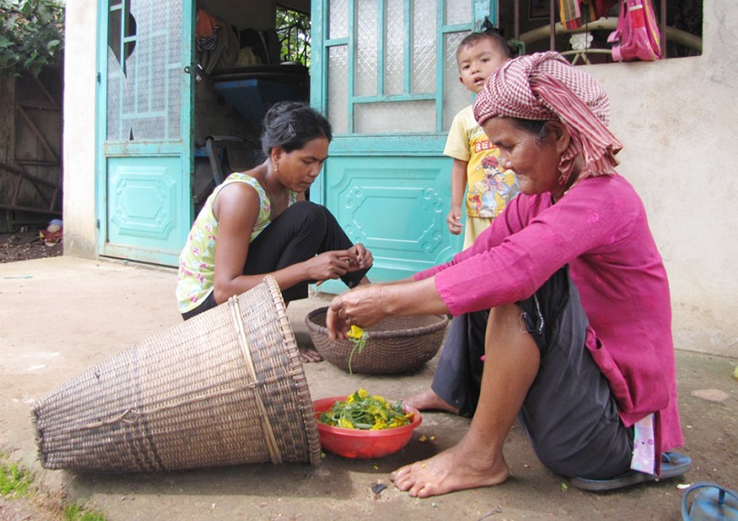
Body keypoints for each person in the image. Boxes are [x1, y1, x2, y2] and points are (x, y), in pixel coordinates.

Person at [326, 52, 687, 497]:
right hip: (579, 407)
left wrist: (387, 305)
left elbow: (513, 271)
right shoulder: (538, 200)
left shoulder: (606, 199)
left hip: (616, 438)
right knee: (484, 270)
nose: (499, 162)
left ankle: (479, 457)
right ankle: (458, 396)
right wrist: (376, 291)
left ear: (555, 134)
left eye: (508, 146)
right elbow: (469, 262)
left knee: (521, 281)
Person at [177, 101, 373, 321]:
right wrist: (308, 269)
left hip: (236, 296)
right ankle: (269, 331)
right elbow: (225, 290)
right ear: (278, 154)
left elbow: (290, 256)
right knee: (310, 214)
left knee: (315, 216)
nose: (315, 172)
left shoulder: (291, 189)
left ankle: (369, 299)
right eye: (307, 161)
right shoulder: (242, 195)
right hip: (207, 308)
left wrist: (346, 259)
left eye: (320, 163)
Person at [444, 30, 519, 249]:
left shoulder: (522, 109)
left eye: (484, 60)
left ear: (507, 64)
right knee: (479, 263)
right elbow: (460, 166)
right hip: (481, 211)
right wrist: (455, 205)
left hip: (521, 207)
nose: (475, 69)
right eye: (467, 67)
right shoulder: (464, 119)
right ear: (461, 80)